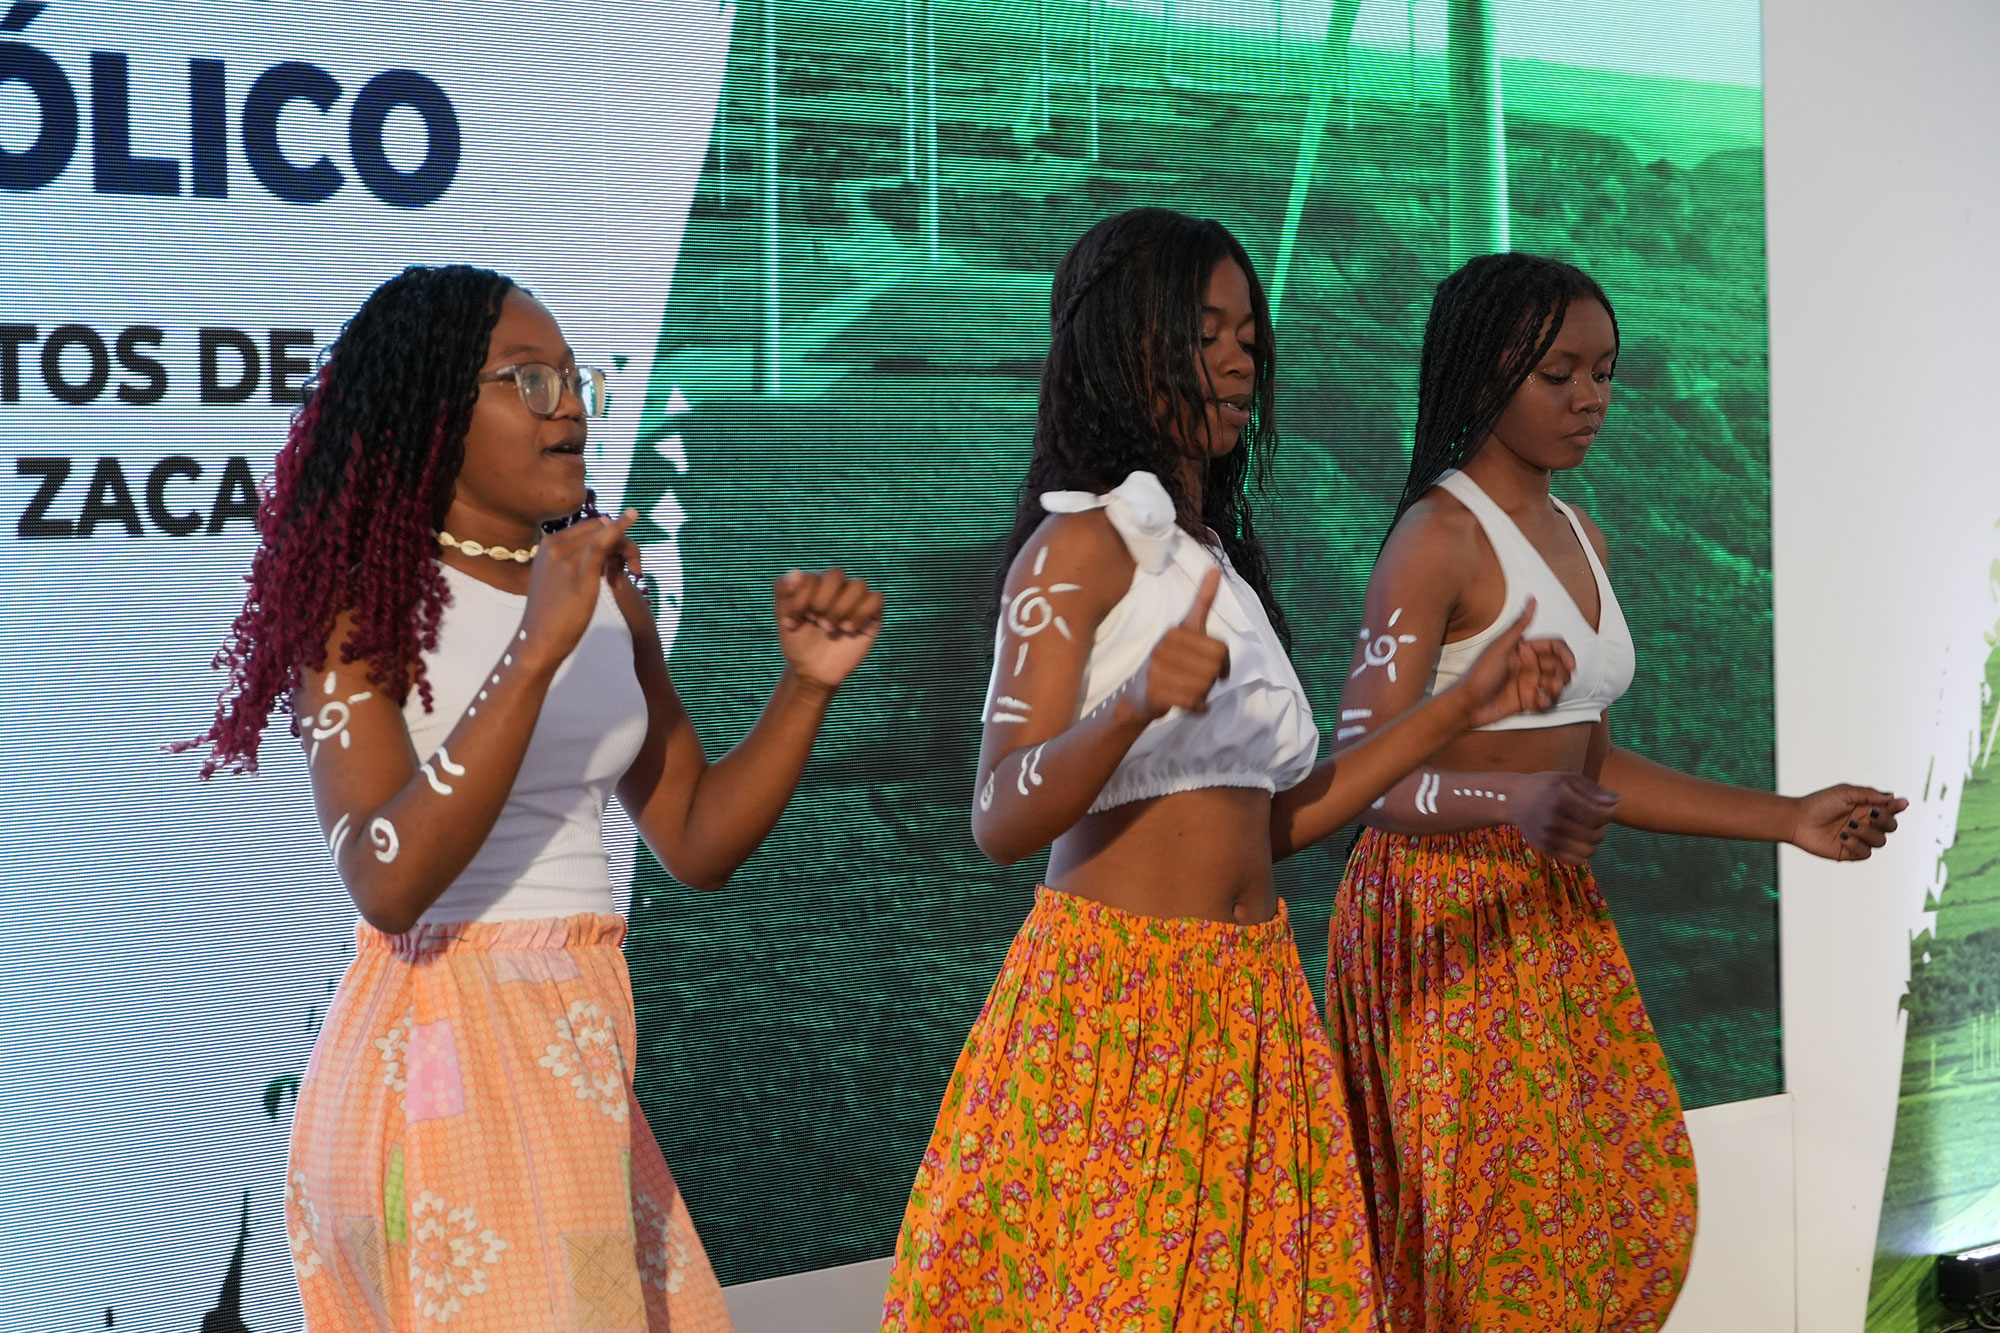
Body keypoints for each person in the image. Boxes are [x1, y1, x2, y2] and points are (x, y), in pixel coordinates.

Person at [878, 209, 1575, 1332]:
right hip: (1117, 1011)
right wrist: (1136, 699)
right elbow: (998, 816)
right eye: (1203, 333)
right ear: (1121, 347)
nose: (1240, 356)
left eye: (1247, 332)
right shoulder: (1076, 547)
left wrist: (1461, 703)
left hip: (1255, 1007)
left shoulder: (1211, 565)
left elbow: (1282, 819)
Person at [182, 265, 883, 1331]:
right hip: (442, 1071)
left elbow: (693, 836)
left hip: (577, 1066)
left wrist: (803, 690)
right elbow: (386, 877)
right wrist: (535, 646)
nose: (568, 407)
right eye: (527, 380)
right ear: (432, 417)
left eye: (573, 380)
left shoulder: (604, 594)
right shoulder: (361, 608)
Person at [1324, 251, 1906, 1331]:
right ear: (1480, 374)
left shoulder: (1581, 532)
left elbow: (1588, 760)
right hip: (1438, 915)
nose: (1588, 397)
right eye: (1558, 374)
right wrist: (1509, 808)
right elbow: (1364, 770)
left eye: (1603, 372)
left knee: (1612, 1205)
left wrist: (1783, 819)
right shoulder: (1435, 537)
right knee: (1480, 1244)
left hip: (1543, 908)